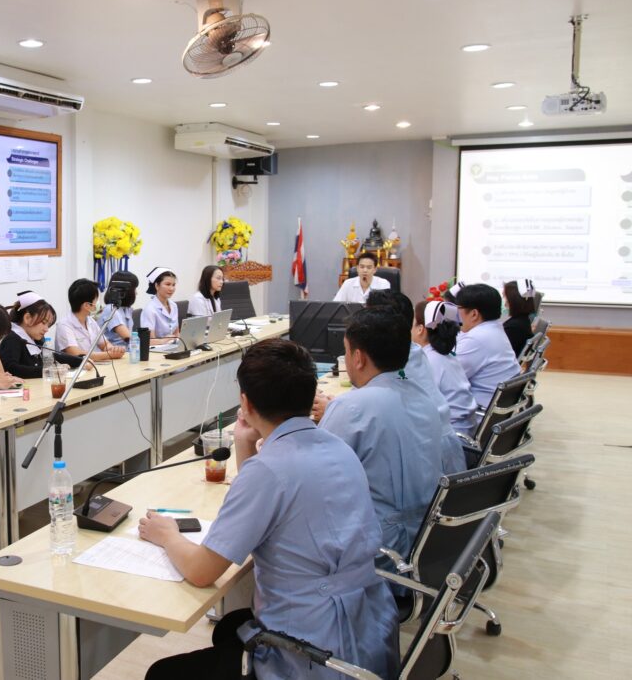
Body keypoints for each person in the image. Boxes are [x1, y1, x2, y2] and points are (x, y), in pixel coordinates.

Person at [140, 339, 399, 680]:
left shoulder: (269, 470)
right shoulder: (337, 447)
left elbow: (202, 571)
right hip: (367, 630)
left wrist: (168, 535)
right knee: (230, 627)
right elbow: (264, 502)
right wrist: (245, 442)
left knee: (163, 673)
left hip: (313, 654)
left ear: (245, 402)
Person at [318, 307, 444, 558]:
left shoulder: (351, 407)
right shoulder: (422, 397)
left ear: (358, 358)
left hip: (380, 549)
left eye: (346, 351)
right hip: (428, 538)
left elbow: (313, 480)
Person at [364, 290, 466, 474]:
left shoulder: (395, 359)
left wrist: (336, 408)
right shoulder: (415, 351)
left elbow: (372, 413)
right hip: (441, 445)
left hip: (429, 455)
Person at [413, 300, 479, 438]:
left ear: (420, 329)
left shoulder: (427, 360)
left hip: (452, 436)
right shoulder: (446, 356)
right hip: (466, 429)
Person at [454, 284, 521, 408]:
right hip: (496, 405)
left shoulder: (476, 339)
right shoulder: (493, 328)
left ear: (474, 314)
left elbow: (450, 378)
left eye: (458, 309)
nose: (455, 314)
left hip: (477, 408)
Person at [0, 291, 87, 379]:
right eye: (43, 323)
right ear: (27, 318)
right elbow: (11, 369)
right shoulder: (12, 339)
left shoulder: (35, 338)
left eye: (48, 325)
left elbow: (52, 356)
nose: (46, 329)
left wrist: (82, 361)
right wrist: (49, 371)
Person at [56, 278, 125, 361]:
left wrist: (113, 349)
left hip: (95, 365)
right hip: (78, 368)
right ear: (87, 305)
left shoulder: (90, 321)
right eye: (96, 300)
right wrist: (109, 355)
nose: (98, 303)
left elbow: (104, 344)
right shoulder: (64, 325)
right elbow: (76, 354)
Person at [140, 267, 180, 345]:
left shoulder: (174, 306)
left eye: (173, 285)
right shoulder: (150, 309)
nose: (171, 288)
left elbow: (176, 333)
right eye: (168, 284)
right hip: (158, 349)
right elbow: (149, 341)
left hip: (173, 346)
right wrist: (163, 341)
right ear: (157, 286)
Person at [99, 270, 139, 346]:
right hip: (112, 352)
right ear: (126, 291)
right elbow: (128, 338)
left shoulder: (127, 309)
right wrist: (157, 341)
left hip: (126, 350)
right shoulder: (111, 309)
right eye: (134, 289)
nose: (136, 293)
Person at [502, 279, 536, 357]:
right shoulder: (522, 321)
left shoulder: (514, 327)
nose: (503, 300)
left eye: (504, 296)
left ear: (513, 299)